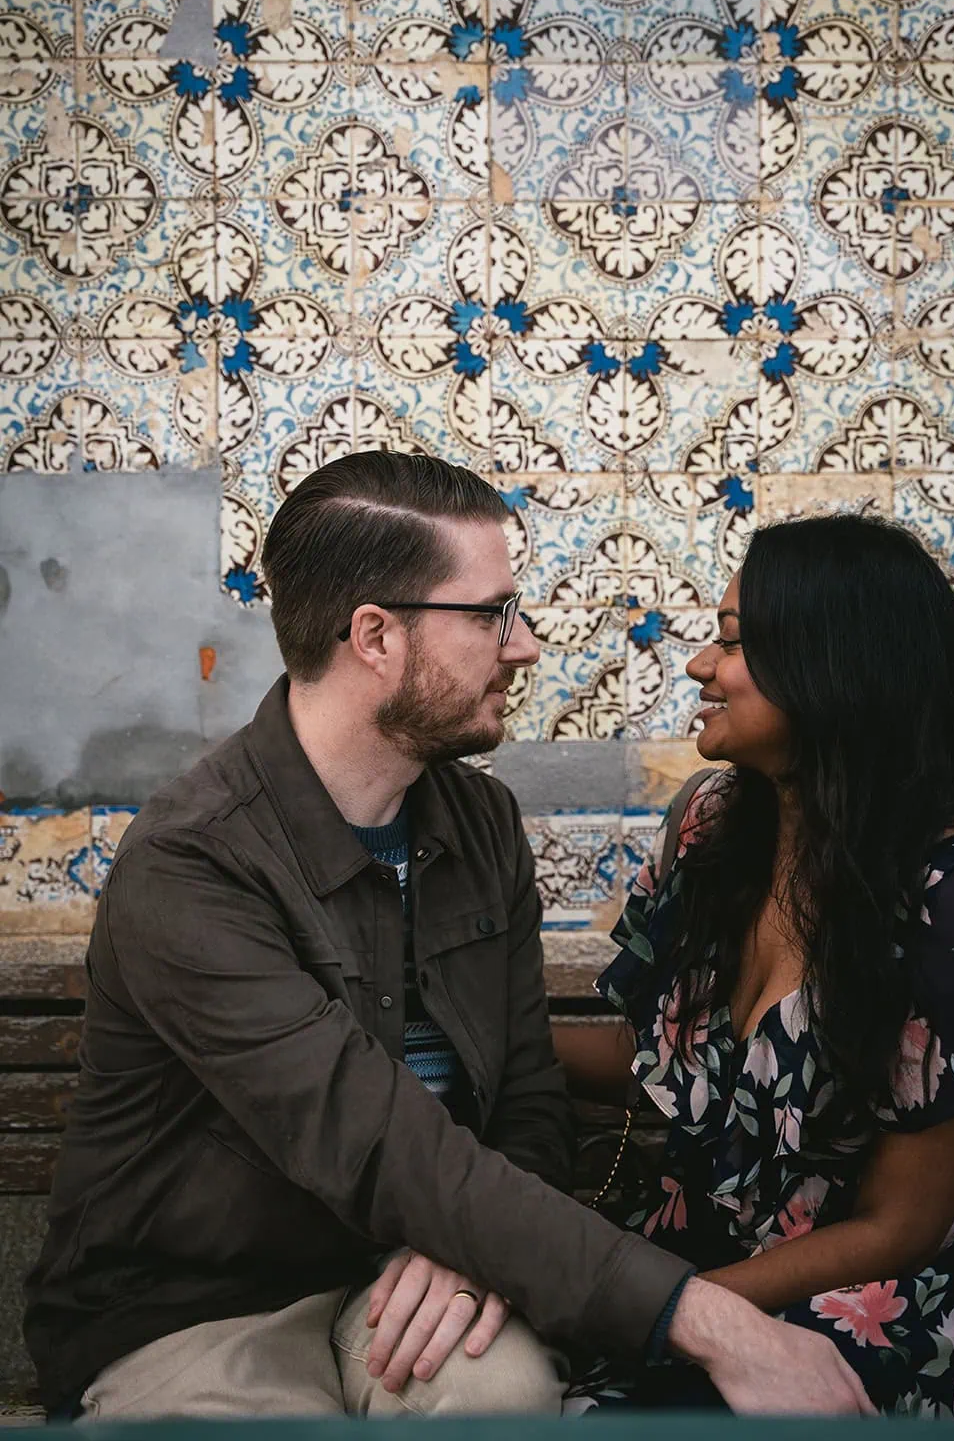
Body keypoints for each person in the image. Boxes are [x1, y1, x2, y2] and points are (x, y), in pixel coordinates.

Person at [24, 452, 871, 1420]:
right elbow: (367, 1138)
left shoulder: (476, 823)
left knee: (499, 1398)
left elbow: (524, 1094)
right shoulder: (192, 863)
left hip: (413, 1274)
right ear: (375, 636)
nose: (524, 645)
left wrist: (467, 1247)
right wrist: (715, 1324)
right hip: (196, 1307)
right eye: (490, 614)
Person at [557, 512, 954, 1419]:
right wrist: (459, 1036)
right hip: (703, 1265)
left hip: (892, 1307)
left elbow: (899, 1227)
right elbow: (660, 1069)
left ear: (834, 668)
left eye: (731, 644)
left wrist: (675, 1309)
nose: (697, 668)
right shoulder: (712, 827)